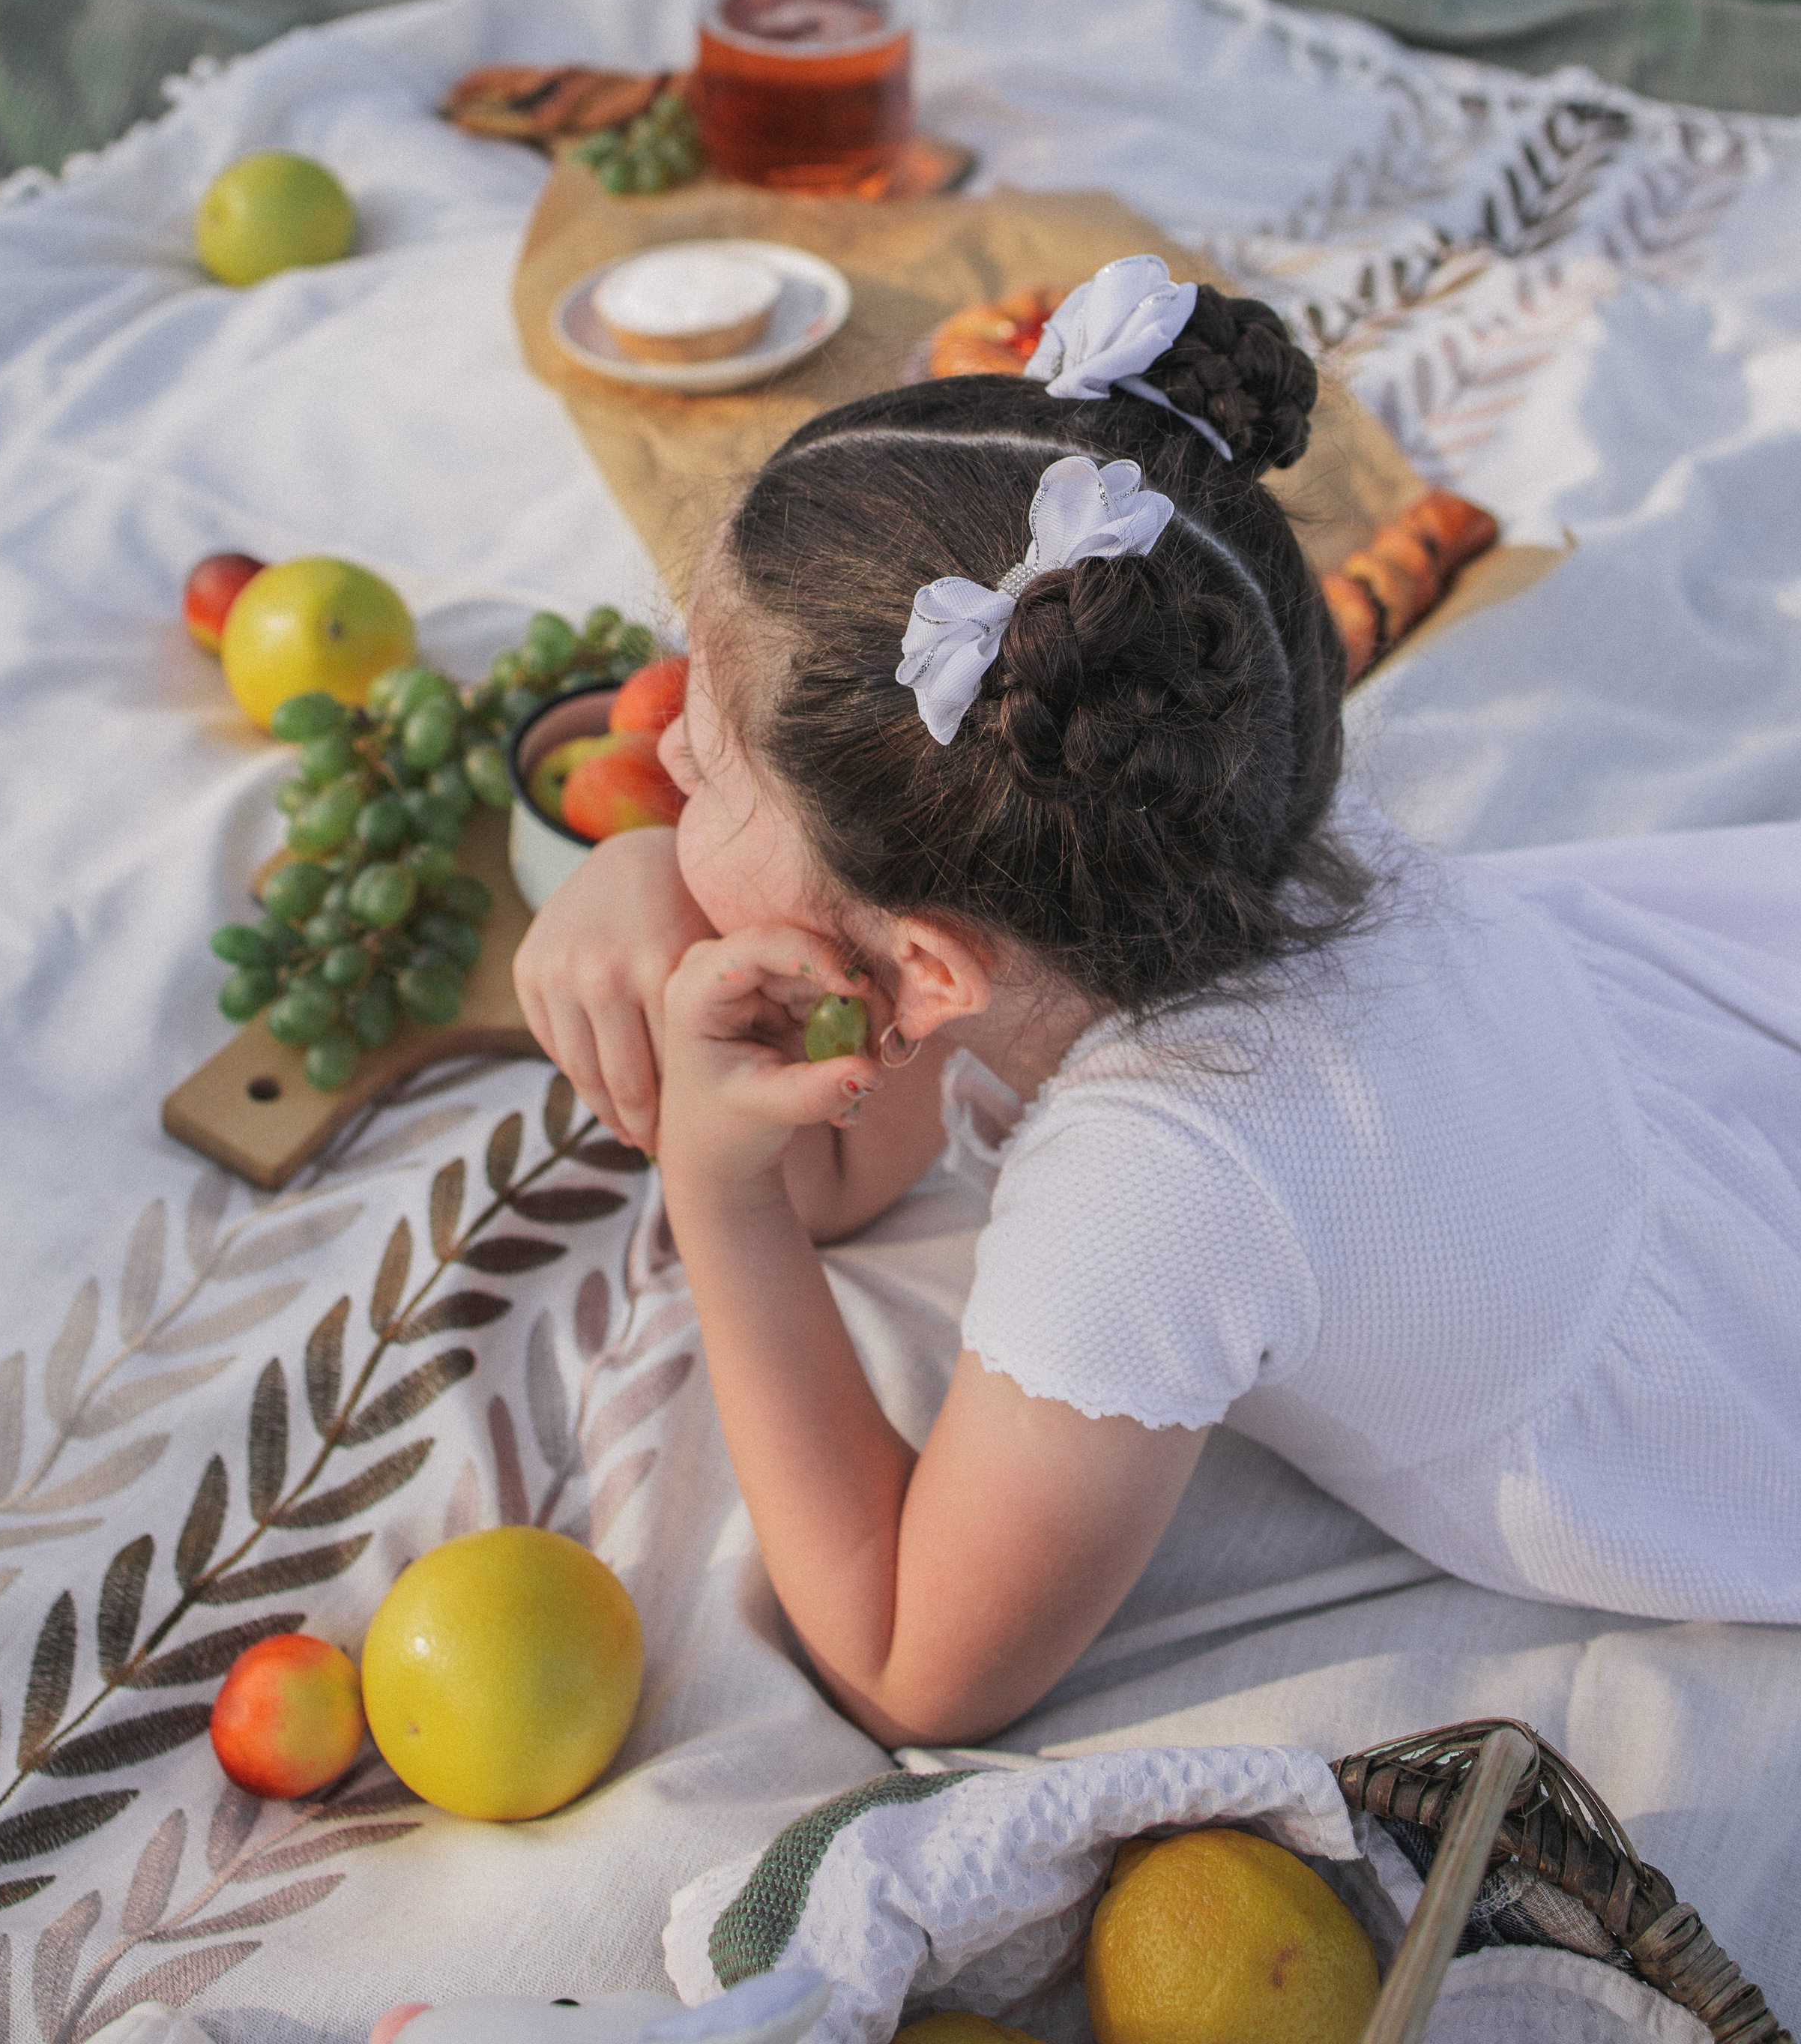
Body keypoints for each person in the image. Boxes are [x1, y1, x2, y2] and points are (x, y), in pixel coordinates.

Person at [515, 256, 1801, 1748]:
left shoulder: (1161, 1179)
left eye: (703, 766)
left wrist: (716, 1191)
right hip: (1651, 1098)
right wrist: (659, 876)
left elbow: (908, 1663)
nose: (660, 761)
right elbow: (857, 1167)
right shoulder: (1170, 798)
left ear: (927, 967)